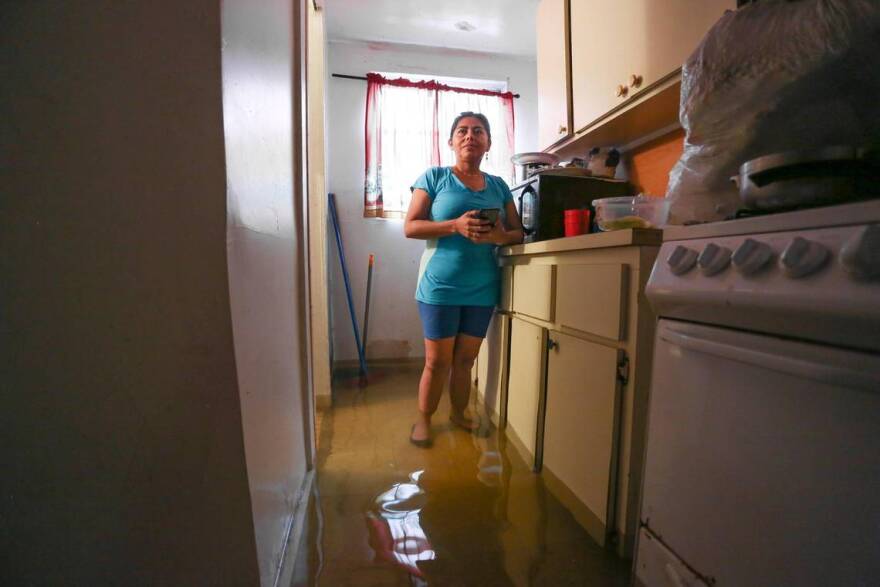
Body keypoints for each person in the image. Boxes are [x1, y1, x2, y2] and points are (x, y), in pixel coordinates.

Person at [403, 111, 524, 447]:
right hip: (439, 285)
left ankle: (458, 413)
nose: (470, 136)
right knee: (437, 360)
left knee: (465, 360)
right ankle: (424, 418)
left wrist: (497, 237)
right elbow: (411, 226)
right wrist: (453, 225)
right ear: (451, 141)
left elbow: (517, 234)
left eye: (478, 131)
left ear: (488, 142)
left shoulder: (499, 185)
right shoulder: (435, 177)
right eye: (462, 131)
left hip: (483, 285)